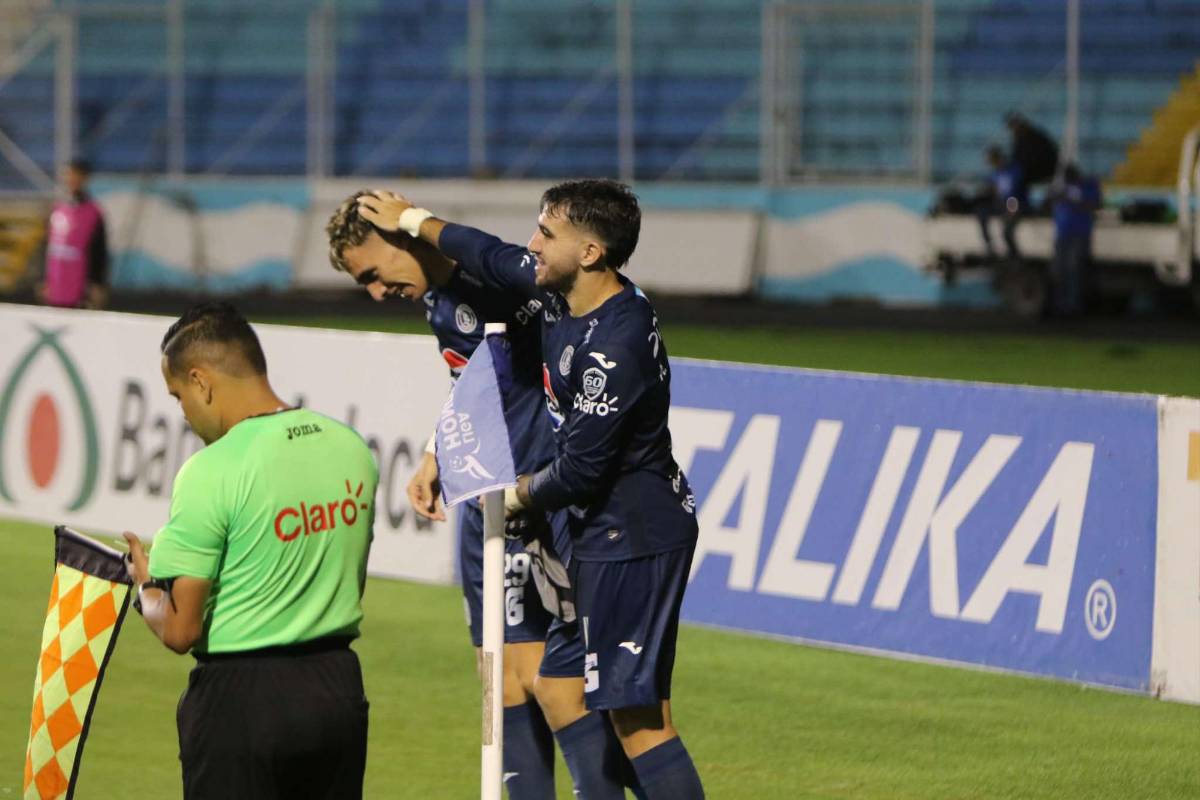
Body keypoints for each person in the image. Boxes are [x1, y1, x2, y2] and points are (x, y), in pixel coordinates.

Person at [357, 179, 705, 799]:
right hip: (599, 532)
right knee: (582, 693)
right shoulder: (563, 293)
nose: (532, 244)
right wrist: (414, 218)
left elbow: (579, 472)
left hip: (632, 534)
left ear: (590, 252)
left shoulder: (613, 347)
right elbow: (487, 251)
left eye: (546, 233)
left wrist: (510, 498)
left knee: (640, 722)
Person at [121, 302, 377, 799]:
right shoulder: (351, 447)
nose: (185, 414)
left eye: (178, 397)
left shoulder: (212, 470)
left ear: (202, 381)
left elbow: (179, 629)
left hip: (242, 701)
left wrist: (145, 586)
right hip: (337, 690)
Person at [40, 157, 109, 309]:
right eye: (68, 174)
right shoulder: (57, 208)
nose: (71, 179)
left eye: (75, 175)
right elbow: (47, 245)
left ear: (85, 178)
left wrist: (97, 283)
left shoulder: (94, 211)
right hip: (55, 284)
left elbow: (100, 251)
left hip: (80, 287)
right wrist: (43, 280)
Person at [1047, 163, 1102, 316]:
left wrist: (1075, 199)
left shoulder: (1087, 186)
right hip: (1063, 233)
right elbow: (1049, 199)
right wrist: (1059, 193)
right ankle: (1060, 304)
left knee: (1074, 270)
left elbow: (1095, 203)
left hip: (1080, 233)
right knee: (1059, 270)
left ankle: (1073, 305)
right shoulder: (1061, 188)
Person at [977, 144, 1027, 262]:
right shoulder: (995, 173)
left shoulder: (1014, 171)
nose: (992, 165)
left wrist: (1011, 209)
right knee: (982, 211)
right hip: (1001, 204)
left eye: (993, 161)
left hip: (1014, 202)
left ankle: (1014, 256)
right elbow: (990, 188)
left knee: (1007, 229)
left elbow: (1014, 194)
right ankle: (989, 245)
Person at [1006, 112, 1059, 187]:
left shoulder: (1036, 138)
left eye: (1015, 125)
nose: (1013, 130)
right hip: (1030, 172)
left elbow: (1042, 157)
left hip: (1042, 171)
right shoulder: (1019, 140)